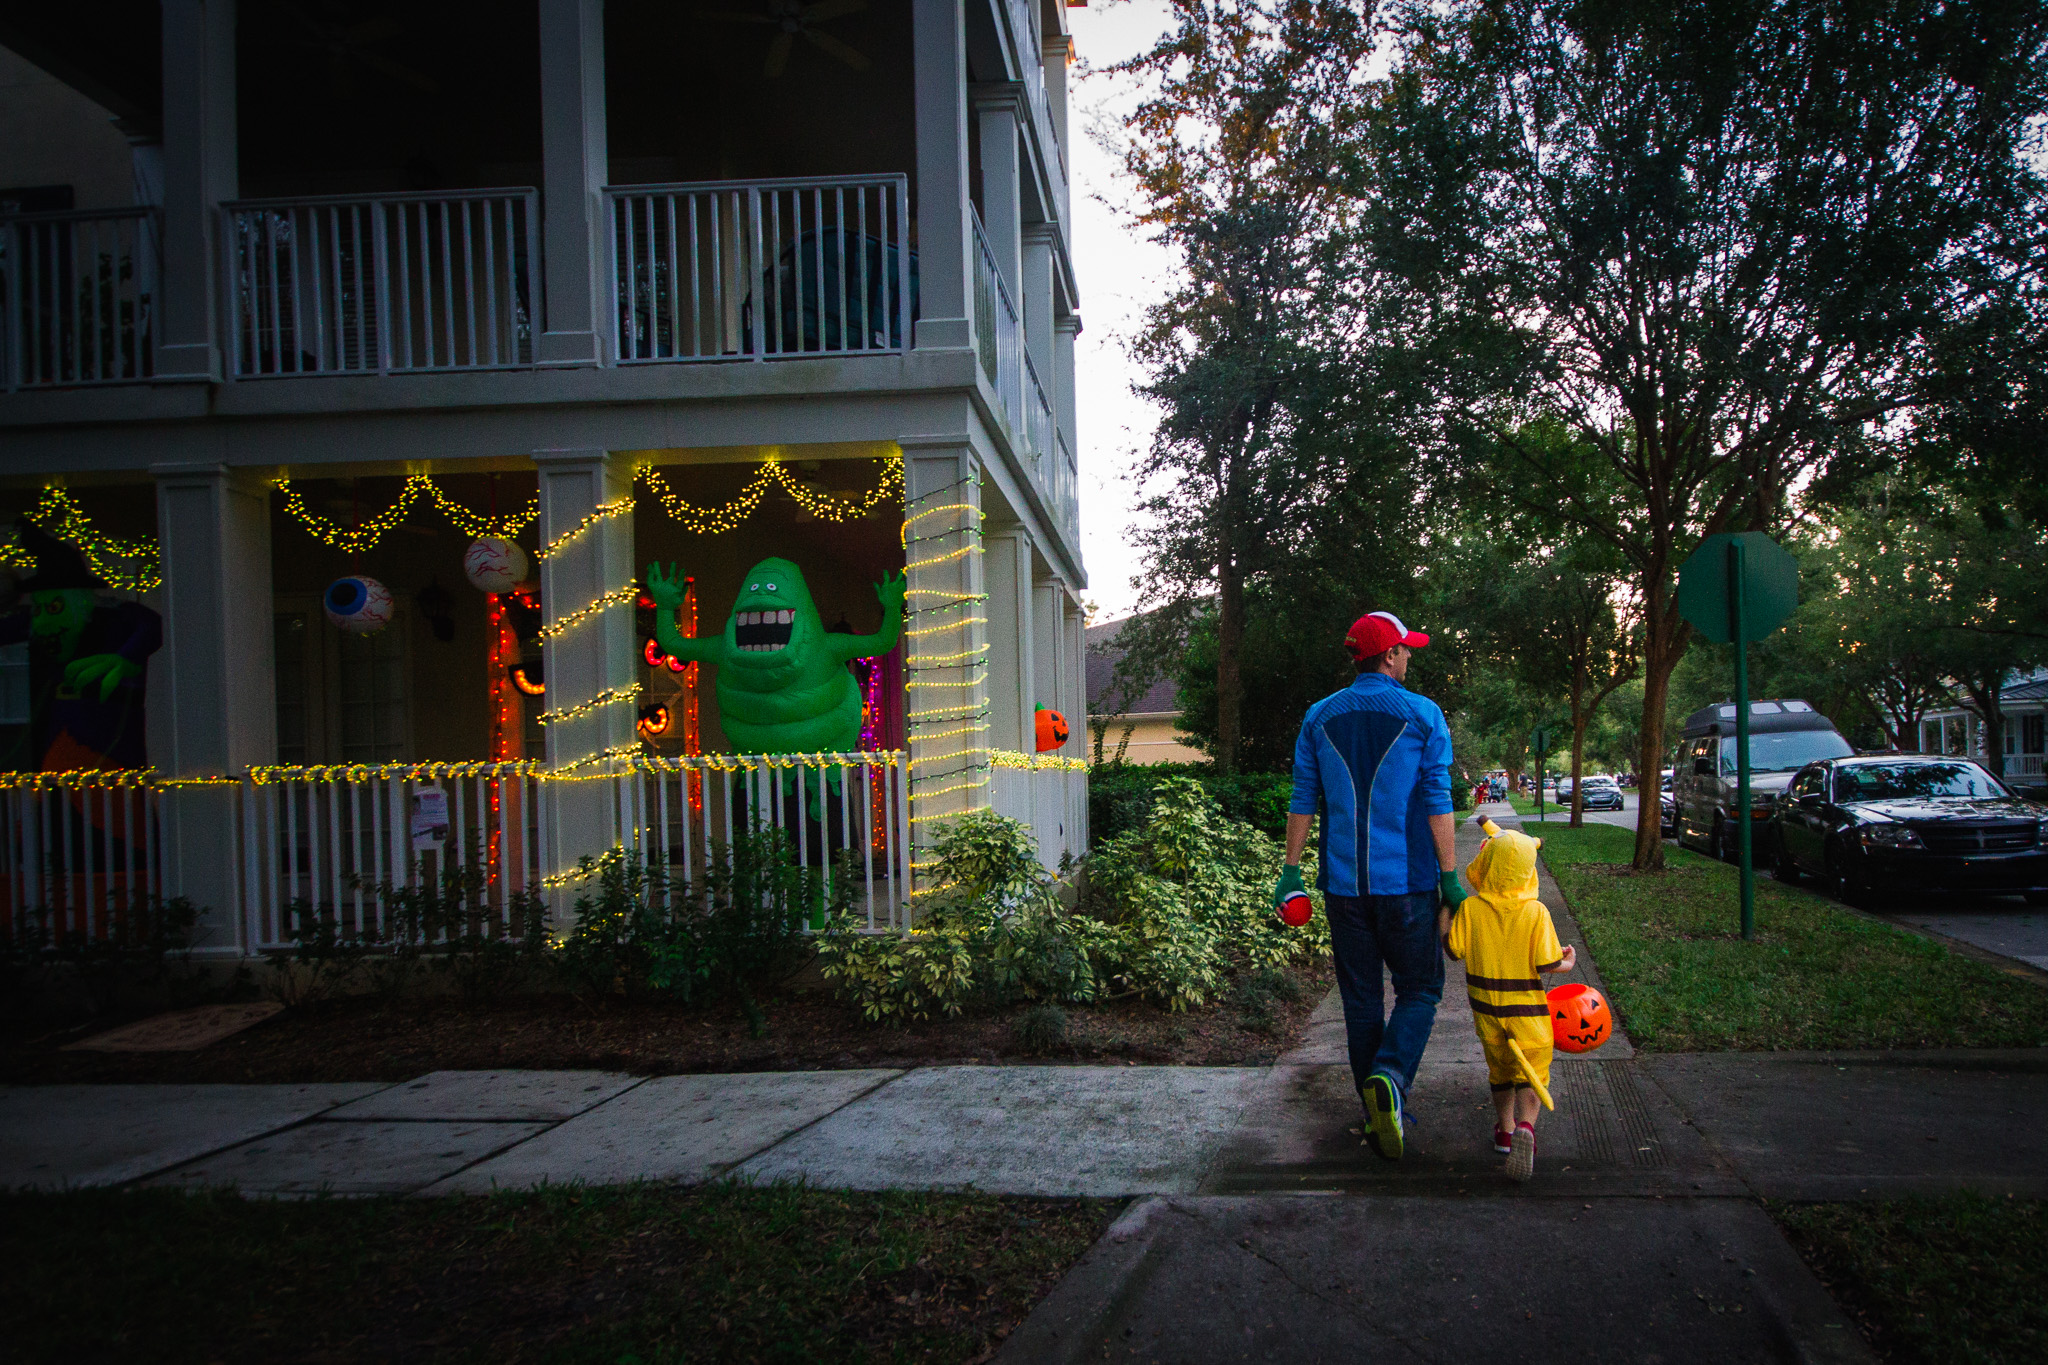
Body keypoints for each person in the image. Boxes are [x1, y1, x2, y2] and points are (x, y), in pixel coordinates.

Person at [1273, 610, 1466, 1160]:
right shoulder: (1423, 715)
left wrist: (1291, 870)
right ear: (1388, 656)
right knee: (1422, 989)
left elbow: (1303, 798)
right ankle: (1391, 1078)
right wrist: (1449, 879)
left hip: (1342, 890)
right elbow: (1437, 800)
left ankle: (1374, 1110)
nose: (1409, 658)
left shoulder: (1318, 717)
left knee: (1360, 1001)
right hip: (1405, 886)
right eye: (1405, 650)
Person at [1439, 820, 1576, 1182]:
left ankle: (1504, 1130)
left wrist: (1445, 909)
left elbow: (1452, 950)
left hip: (1487, 1012)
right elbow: (1550, 963)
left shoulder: (1470, 910)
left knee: (1500, 1071)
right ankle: (1527, 1127)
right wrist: (1569, 961)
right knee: (1532, 1070)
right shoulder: (1536, 913)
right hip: (1528, 1012)